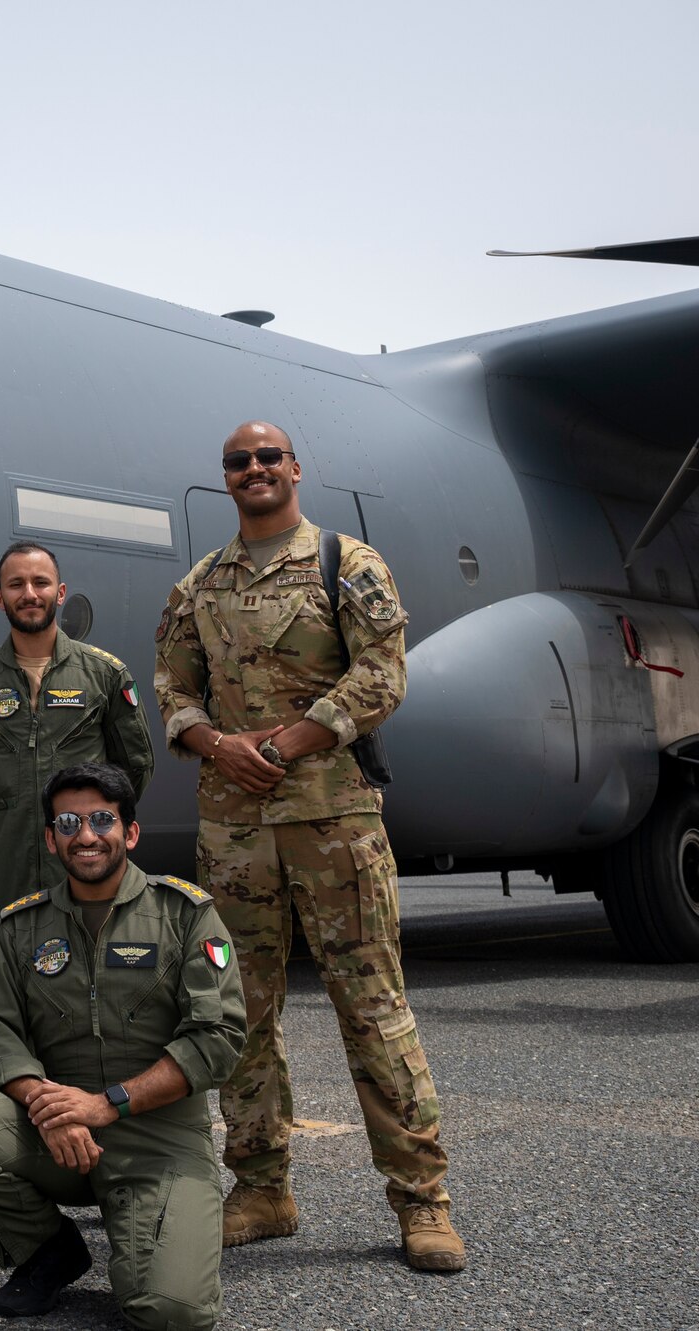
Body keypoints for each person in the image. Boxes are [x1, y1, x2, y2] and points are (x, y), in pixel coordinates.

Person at [153, 420, 462, 1271]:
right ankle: (261, 1187)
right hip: (234, 829)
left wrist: (288, 742)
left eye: (266, 458)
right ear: (226, 478)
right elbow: (174, 687)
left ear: (294, 468)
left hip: (334, 820)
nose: (253, 469)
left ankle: (420, 1201)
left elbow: (381, 674)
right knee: (239, 1013)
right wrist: (214, 744)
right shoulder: (198, 584)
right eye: (237, 461)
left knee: (372, 1008)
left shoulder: (349, 564)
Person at [0, 764, 247, 1327]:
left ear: (131, 832)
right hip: (55, 1129)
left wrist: (106, 1104)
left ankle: (142, 1229)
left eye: (103, 819)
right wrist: (47, 1106)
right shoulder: (22, 926)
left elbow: (217, 1039)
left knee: (171, 1312)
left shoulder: (185, 915)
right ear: (52, 839)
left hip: (158, 1138)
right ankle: (48, 1252)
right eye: (69, 822)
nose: (87, 835)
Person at [0, 540, 154, 970]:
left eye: (41, 582)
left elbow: (134, 765)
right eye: (16, 584)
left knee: (92, 970)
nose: (29, 593)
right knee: (2, 970)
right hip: (4, 859)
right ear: (0, 598)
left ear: (60, 593)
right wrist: (7, 815)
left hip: (85, 851)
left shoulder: (104, 674)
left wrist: (98, 820)